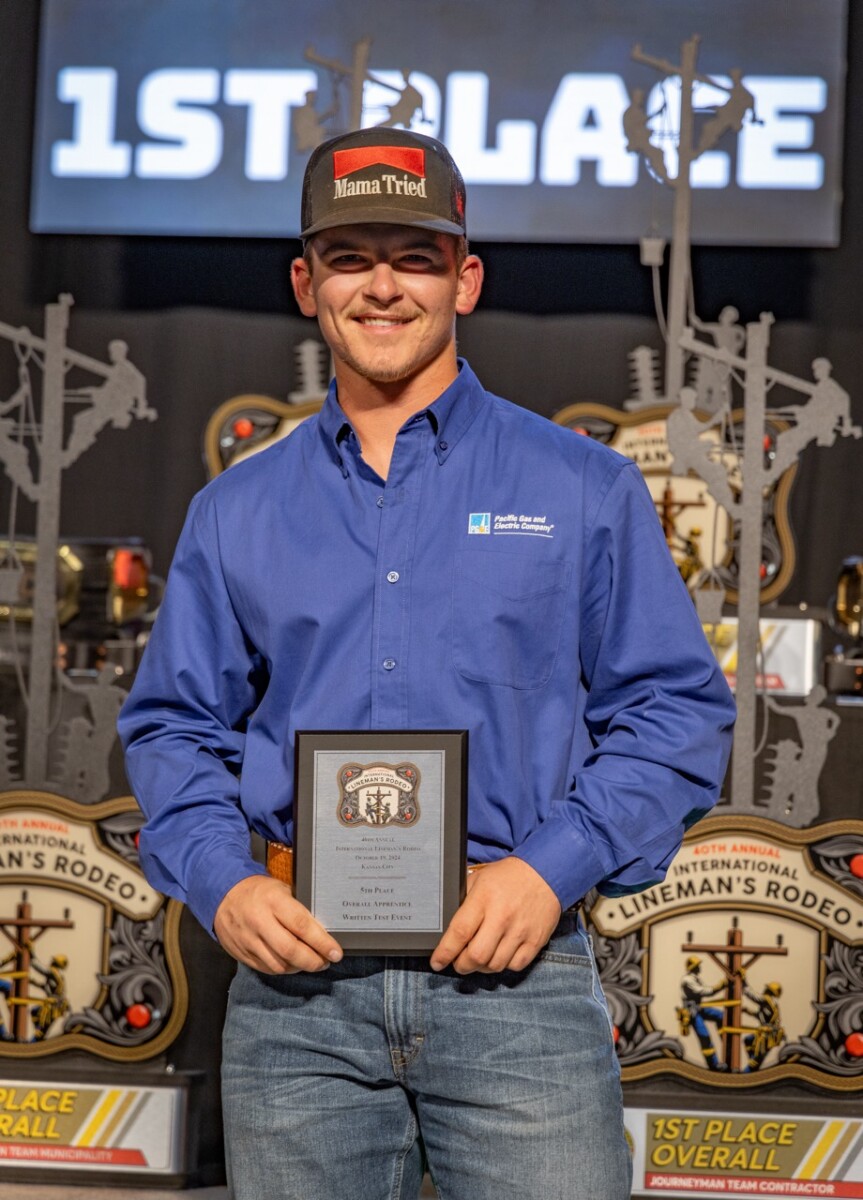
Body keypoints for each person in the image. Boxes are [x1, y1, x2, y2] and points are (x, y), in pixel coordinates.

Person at [119, 127, 735, 1200]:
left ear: (465, 276)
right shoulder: (236, 512)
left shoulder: (582, 489)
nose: (383, 287)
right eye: (351, 257)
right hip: (294, 999)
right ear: (306, 283)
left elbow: (677, 715)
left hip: (517, 992)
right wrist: (220, 885)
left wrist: (551, 866)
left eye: (414, 255)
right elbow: (172, 729)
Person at [677, 955, 728, 1072]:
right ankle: (714, 1065)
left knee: (722, 1016)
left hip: (699, 1008)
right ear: (693, 967)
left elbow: (704, 989)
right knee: (704, 1037)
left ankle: (725, 1040)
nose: (700, 967)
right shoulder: (687, 980)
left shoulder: (695, 978)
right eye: (698, 965)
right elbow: (703, 991)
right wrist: (720, 986)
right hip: (692, 1012)